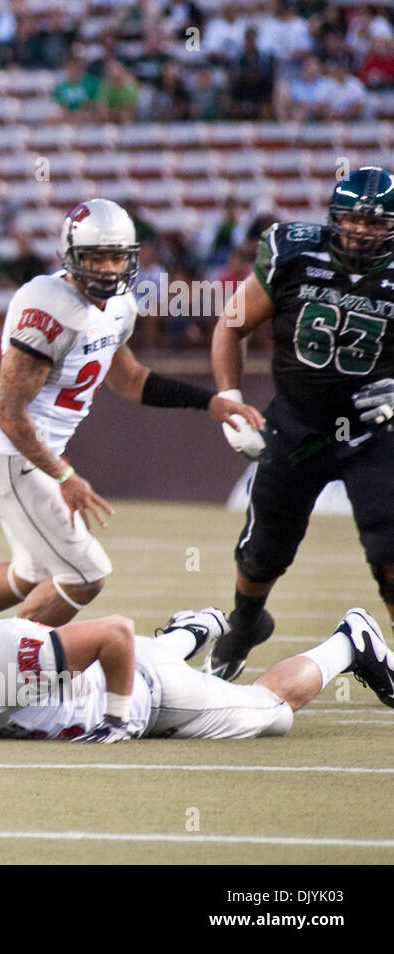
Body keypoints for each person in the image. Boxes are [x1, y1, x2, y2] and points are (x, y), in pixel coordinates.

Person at [0, 198, 262, 628]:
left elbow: (130, 379)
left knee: (30, 574)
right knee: (85, 575)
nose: (107, 269)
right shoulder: (47, 306)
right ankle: (5, 663)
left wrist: (209, 401)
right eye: (95, 258)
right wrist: (64, 476)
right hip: (11, 458)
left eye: (117, 257)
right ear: (72, 257)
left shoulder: (118, 307)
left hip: (32, 458)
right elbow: (9, 415)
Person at [207, 167, 394, 681]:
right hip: (297, 424)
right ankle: (244, 625)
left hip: (374, 428)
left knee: (389, 544)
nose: (362, 231)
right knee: (265, 548)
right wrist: (228, 396)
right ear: (333, 219)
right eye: (352, 220)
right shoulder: (294, 254)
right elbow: (234, 324)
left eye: (375, 224)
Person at [0, 596, 394, 741]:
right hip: (119, 672)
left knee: (273, 713)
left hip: (148, 695)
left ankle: (350, 642)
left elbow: (115, 634)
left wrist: (117, 718)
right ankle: (194, 628)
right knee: (150, 652)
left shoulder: (9, 658)